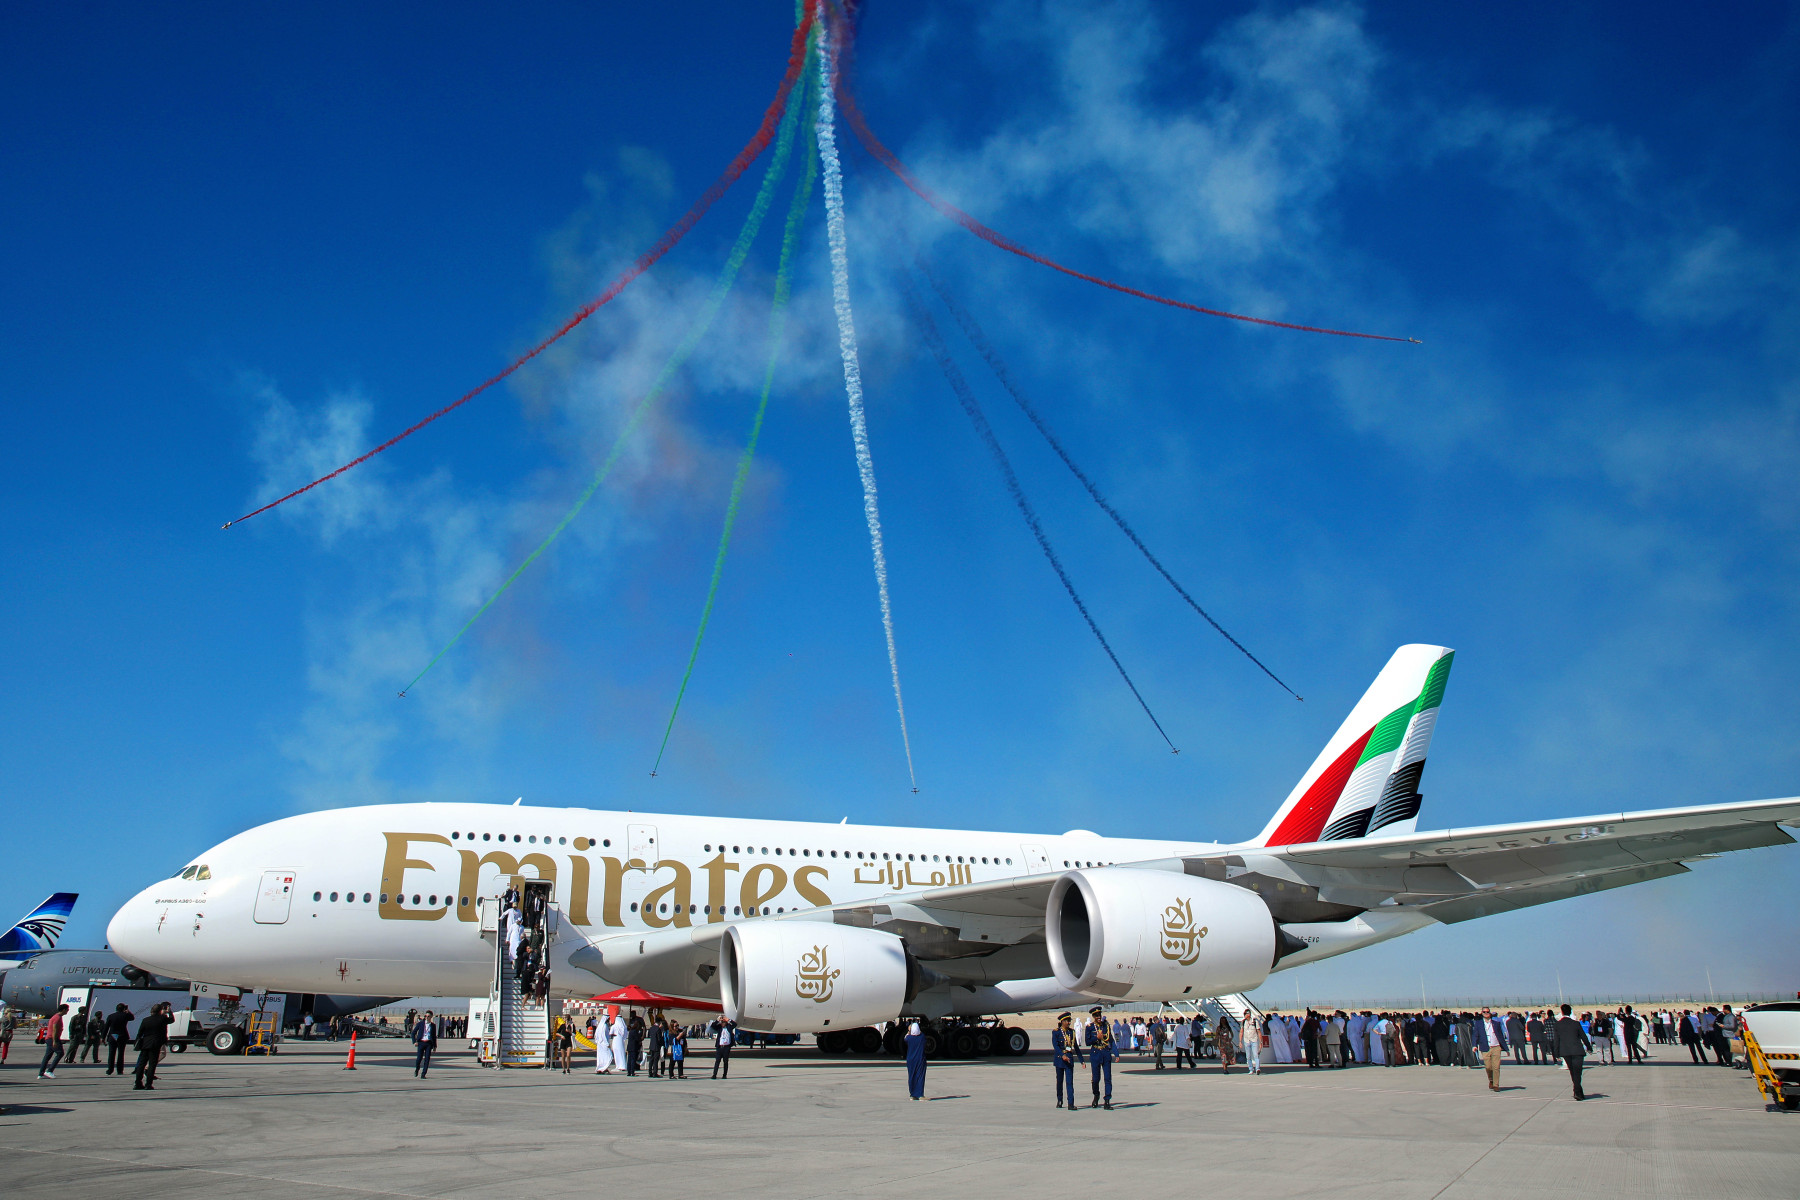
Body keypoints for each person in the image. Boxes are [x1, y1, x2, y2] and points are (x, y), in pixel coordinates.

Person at [1552, 1003, 1592, 1101]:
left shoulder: (1558, 1024)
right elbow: (1583, 1036)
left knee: (1572, 1072)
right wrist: (1589, 1047)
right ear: (1570, 1012)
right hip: (1577, 1050)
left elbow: (1556, 1040)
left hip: (1565, 1051)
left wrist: (1556, 1053)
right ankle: (1577, 1092)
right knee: (1577, 1072)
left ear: (1562, 1012)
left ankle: (1577, 1091)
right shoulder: (1576, 1023)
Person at [134, 1002, 172, 1090]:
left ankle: (137, 1083)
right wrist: (169, 1012)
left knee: (141, 1064)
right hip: (156, 1043)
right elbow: (171, 1020)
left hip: (145, 1043)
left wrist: (137, 1043)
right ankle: (148, 1084)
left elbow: (140, 1033)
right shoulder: (162, 1018)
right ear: (160, 1011)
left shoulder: (145, 1020)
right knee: (152, 1064)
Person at [1472, 1007, 1509, 1091]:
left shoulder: (1496, 1023)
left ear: (1490, 1013)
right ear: (1482, 1013)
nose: (1486, 1013)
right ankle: (1491, 1080)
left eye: (1487, 1012)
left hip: (1496, 1047)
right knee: (1488, 1067)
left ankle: (1496, 1085)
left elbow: (1500, 1036)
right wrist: (1474, 1045)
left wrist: (1506, 1048)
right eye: (1484, 1012)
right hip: (1485, 1047)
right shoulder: (1478, 1023)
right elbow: (1475, 1035)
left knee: (1496, 1067)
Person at [1052, 1011, 1083, 1108]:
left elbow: (1076, 1047)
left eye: (1069, 1021)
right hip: (1060, 1060)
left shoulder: (1071, 1032)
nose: (1069, 1023)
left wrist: (1081, 1060)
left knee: (1070, 1082)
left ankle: (1071, 1103)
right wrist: (1062, 1055)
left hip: (1069, 1059)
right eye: (1067, 1021)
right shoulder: (1056, 1032)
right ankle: (1060, 1100)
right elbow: (1056, 1046)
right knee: (1059, 1082)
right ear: (1062, 1021)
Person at [1085, 1005, 1114, 1107]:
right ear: (1093, 1016)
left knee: (1107, 1078)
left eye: (1099, 1015)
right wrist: (1096, 1038)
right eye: (1096, 1015)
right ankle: (1096, 1095)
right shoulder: (1090, 1027)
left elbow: (1110, 1039)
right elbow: (1087, 1042)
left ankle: (1107, 1100)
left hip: (1105, 1053)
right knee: (1096, 1078)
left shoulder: (1106, 1026)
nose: (1098, 1017)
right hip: (1095, 1053)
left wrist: (1116, 1053)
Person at [38, 1003, 68, 1079]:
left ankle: (41, 1074)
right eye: (67, 1009)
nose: (67, 1011)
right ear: (63, 1010)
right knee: (60, 1053)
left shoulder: (57, 1017)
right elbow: (54, 1030)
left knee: (47, 1056)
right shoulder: (57, 1017)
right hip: (52, 1038)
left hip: (50, 1038)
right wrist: (55, 1041)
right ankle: (49, 1071)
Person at [104, 1003, 134, 1075]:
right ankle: (120, 1070)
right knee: (121, 1053)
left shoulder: (111, 1016)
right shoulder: (125, 1015)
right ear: (124, 1009)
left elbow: (106, 1027)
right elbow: (132, 1018)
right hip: (122, 1035)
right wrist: (127, 1011)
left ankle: (110, 1069)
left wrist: (103, 1037)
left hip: (113, 1035)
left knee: (111, 1053)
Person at [904, 1020, 927, 1101]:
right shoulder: (922, 1037)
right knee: (920, 1076)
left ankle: (912, 1095)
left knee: (911, 1076)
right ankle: (920, 1095)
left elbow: (905, 1037)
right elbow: (920, 1033)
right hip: (920, 1059)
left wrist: (909, 1031)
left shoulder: (909, 1038)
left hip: (910, 1060)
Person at [412, 1009, 437, 1078]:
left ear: (431, 1017)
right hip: (421, 1043)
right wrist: (414, 1041)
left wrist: (435, 1046)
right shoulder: (420, 1024)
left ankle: (423, 1074)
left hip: (428, 1043)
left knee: (427, 1059)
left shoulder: (433, 1025)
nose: (426, 1017)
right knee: (419, 1059)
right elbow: (413, 1033)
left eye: (428, 1016)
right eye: (425, 1016)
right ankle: (417, 1069)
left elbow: (434, 1037)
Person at [1241, 1011, 1262, 1076]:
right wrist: (1240, 1041)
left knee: (1255, 1055)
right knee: (1248, 1056)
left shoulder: (1255, 1022)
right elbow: (1241, 1032)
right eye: (1245, 1014)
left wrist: (1261, 1042)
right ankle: (1251, 1069)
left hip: (1254, 1040)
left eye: (1247, 1014)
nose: (1246, 1015)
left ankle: (1257, 1068)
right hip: (1246, 1040)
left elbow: (1259, 1032)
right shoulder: (1243, 1022)